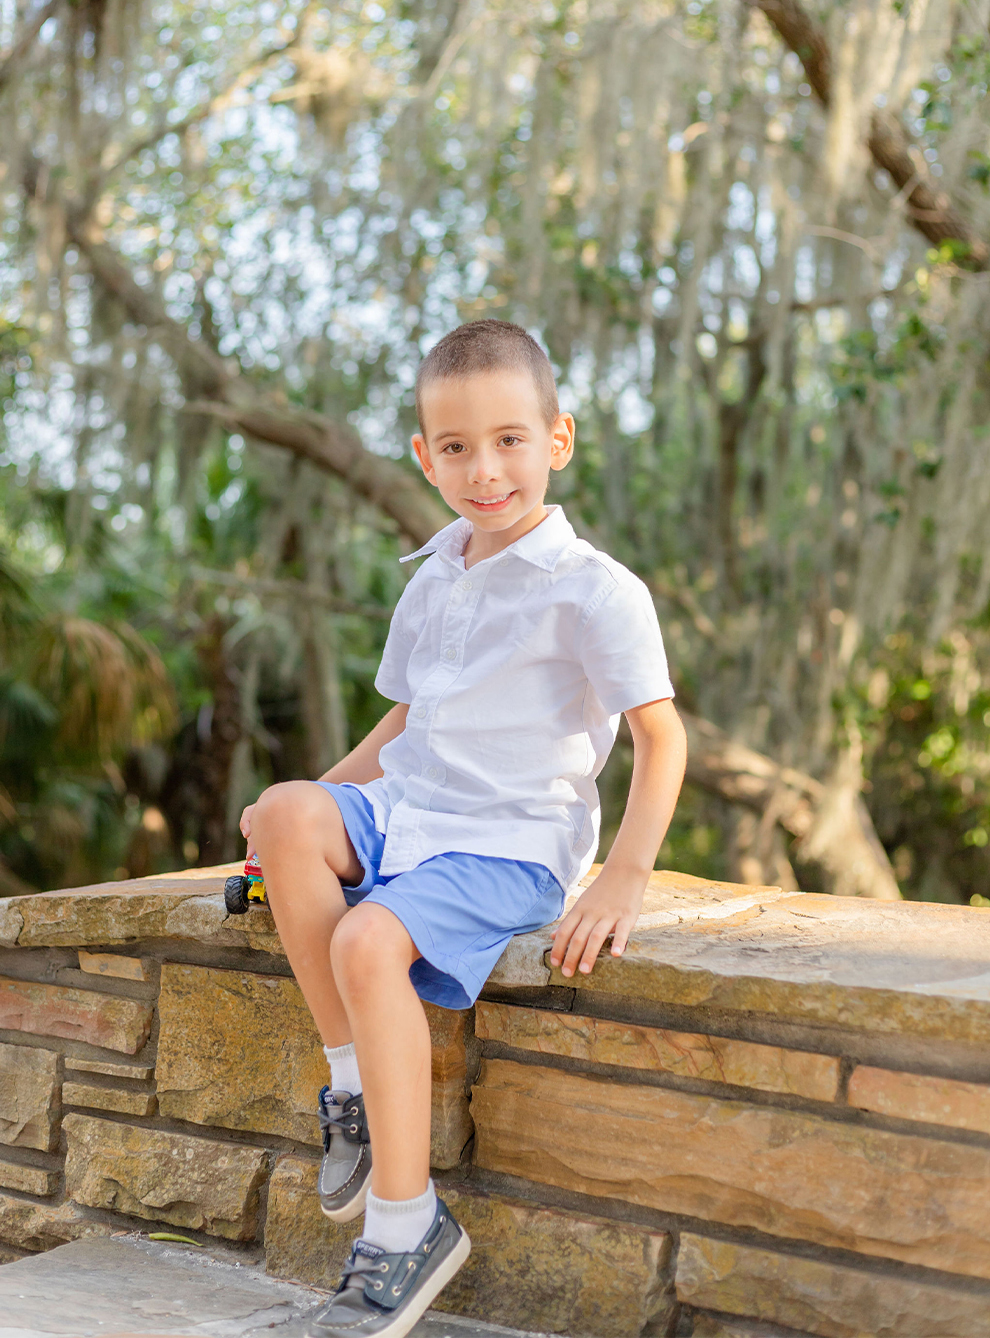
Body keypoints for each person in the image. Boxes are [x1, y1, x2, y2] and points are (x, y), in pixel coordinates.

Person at [241, 319, 687, 1338]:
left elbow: (664, 742)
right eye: (455, 447)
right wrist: (285, 815)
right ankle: (351, 1087)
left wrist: (621, 881)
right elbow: (404, 723)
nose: (484, 471)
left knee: (367, 939)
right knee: (284, 809)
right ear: (423, 455)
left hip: (509, 845)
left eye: (509, 441)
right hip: (411, 815)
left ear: (557, 440)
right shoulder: (434, 575)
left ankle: (406, 1230)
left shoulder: (595, 590)